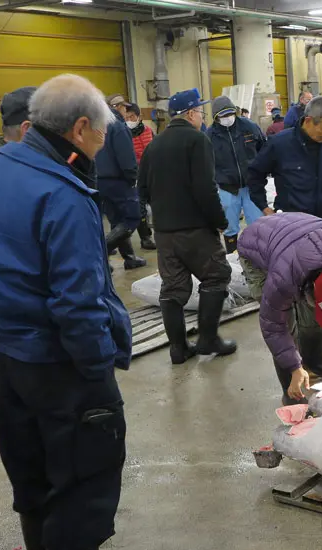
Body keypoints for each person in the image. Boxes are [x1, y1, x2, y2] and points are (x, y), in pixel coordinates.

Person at [0, 74, 148, 550]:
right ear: (80, 127)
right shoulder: (63, 194)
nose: (103, 146)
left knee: (31, 462)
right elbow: (79, 298)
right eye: (101, 136)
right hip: (58, 358)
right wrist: (95, 371)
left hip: (5, 350)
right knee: (83, 468)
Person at [139, 88, 237, 363]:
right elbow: (205, 188)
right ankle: (208, 340)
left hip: (165, 232)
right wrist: (219, 221)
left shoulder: (153, 145)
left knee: (172, 288)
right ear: (191, 113)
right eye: (201, 112)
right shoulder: (197, 141)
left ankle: (179, 348)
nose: (203, 117)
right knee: (216, 277)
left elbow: (142, 188)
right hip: (195, 229)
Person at [238, 213, 322, 404]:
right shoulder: (282, 278)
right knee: (285, 322)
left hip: (296, 238)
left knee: (313, 314)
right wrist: (293, 368)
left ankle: (314, 363)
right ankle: (291, 390)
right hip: (257, 244)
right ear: (310, 287)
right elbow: (274, 329)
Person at [247, 96, 322, 223]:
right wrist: (265, 208)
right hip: (291, 224)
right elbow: (255, 175)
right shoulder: (280, 144)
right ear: (308, 120)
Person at [206, 95, 266, 254]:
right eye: (223, 116)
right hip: (227, 188)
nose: (227, 118)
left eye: (230, 114)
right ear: (216, 117)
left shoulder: (249, 127)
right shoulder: (209, 135)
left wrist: (261, 172)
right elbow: (206, 163)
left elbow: (264, 149)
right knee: (230, 225)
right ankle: (232, 255)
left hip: (251, 186)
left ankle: (258, 255)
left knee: (257, 223)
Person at [99, 98, 146, 269]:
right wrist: (134, 178)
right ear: (116, 108)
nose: (126, 113)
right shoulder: (118, 127)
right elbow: (127, 159)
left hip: (99, 181)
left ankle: (129, 258)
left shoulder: (97, 125)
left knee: (116, 219)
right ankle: (101, 253)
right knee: (132, 218)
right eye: (124, 109)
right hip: (119, 181)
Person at [123, 103, 157, 250]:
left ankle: (160, 233)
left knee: (157, 204)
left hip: (152, 173)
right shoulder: (123, 134)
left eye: (132, 116)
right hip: (136, 176)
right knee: (140, 207)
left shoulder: (149, 131)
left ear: (139, 117)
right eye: (127, 117)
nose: (130, 120)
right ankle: (145, 238)